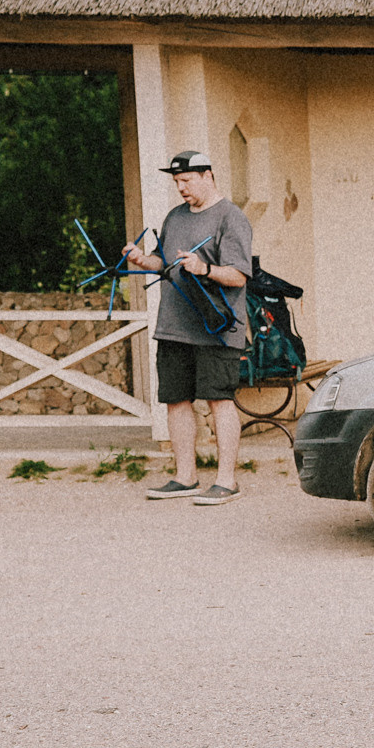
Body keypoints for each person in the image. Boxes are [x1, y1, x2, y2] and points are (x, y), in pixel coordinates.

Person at [126, 150, 254, 506]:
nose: (180, 188)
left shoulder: (232, 217)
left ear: (207, 175)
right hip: (174, 326)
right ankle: (186, 477)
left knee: (219, 400)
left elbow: (239, 275)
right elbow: (163, 263)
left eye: (186, 181)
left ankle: (227, 481)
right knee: (176, 401)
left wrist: (205, 269)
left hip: (217, 326)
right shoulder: (175, 217)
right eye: (176, 182)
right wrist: (142, 260)